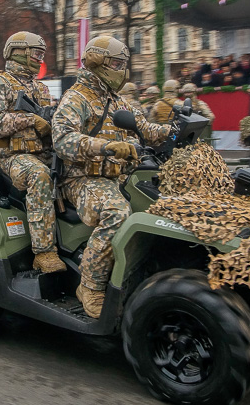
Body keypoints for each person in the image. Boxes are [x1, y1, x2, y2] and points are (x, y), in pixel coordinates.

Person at [52, 36, 170, 318]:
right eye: (117, 63)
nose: (122, 69)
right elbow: (62, 139)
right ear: (96, 62)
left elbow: (146, 129)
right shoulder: (76, 98)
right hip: (82, 180)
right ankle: (90, 285)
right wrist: (105, 147)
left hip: (118, 177)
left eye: (123, 64)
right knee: (117, 212)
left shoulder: (118, 102)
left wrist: (176, 131)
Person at [0, 31, 65, 274]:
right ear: (19, 52)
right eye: (36, 53)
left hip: (44, 151)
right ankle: (44, 252)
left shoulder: (41, 88)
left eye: (41, 54)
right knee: (40, 176)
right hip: (13, 157)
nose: (39, 58)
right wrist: (28, 120)